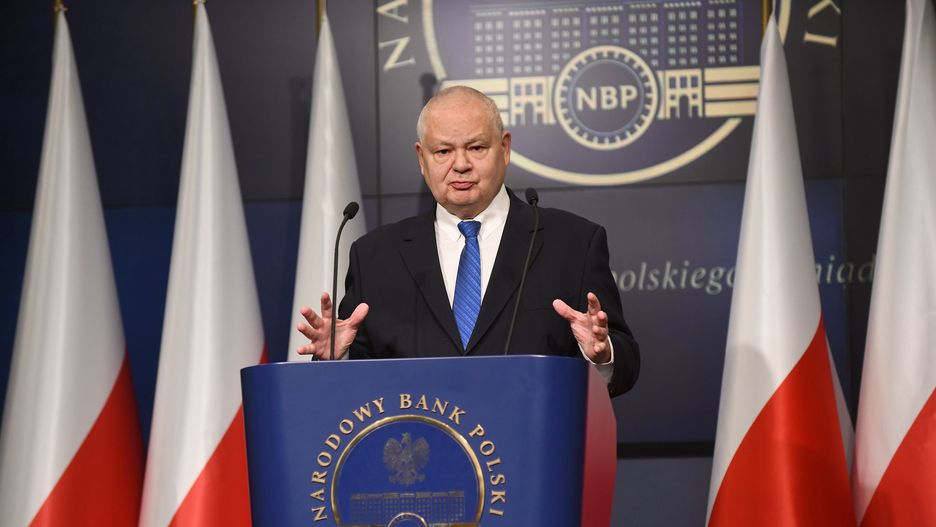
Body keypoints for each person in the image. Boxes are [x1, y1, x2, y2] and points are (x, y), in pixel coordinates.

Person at [296, 86, 639, 396]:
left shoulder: (573, 243)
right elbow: (356, 385)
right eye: (443, 151)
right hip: (416, 443)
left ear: (504, 148)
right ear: (422, 159)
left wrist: (601, 354)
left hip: (532, 440)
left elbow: (625, 362)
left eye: (476, 148)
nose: (460, 165)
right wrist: (337, 358)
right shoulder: (375, 256)